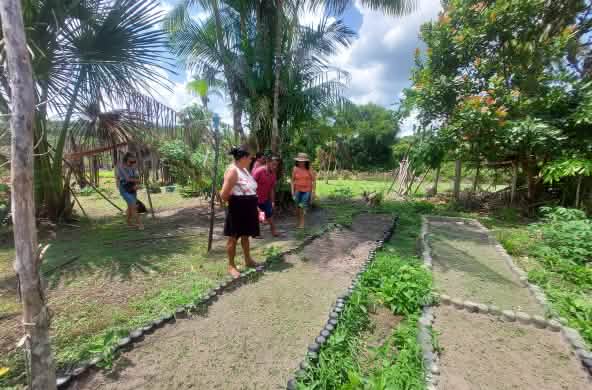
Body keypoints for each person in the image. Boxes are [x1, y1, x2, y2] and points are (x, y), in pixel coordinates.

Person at [220, 146, 260, 277]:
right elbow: (224, 195)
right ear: (243, 158)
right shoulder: (233, 171)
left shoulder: (244, 170)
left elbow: (251, 189)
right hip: (237, 208)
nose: (251, 160)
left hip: (249, 207)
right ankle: (231, 265)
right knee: (233, 237)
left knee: (245, 235)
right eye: (249, 158)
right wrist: (237, 203)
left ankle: (248, 259)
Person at [253, 156, 280, 237]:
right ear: (268, 163)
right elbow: (251, 185)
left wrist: (272, 201)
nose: (275, 167)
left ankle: (273, 231)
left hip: (265, 199)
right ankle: (255, 233)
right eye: (273, 164)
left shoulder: (273, 175)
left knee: (269, 214)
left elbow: (271, 189)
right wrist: (252, 199)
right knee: (257, 215)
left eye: (276, 165)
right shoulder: (259, 171)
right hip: (255, 198)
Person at [116, 152, 143, 230]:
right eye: (131, 162)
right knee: (134, 206)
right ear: (126, 160)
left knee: (130, 207)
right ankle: (140, 224)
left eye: (134, 162)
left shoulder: (133, 167)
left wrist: (136, 181)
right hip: (124, 189)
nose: (133, 164)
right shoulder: (120, 167)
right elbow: (127, 179)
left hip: (133, 188)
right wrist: (136, 180)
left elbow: (138, 178)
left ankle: (128, 223)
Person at [291, 153, 316, 229]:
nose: (301, 162)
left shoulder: (309, 169)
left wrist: (313, 193)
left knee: (302, 206)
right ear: (297, 161)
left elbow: (314, 181)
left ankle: (302, 223)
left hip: (306, 191)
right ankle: (297, 222)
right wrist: (292, 191)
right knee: (296, 207)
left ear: (306, 161)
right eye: (300, 161)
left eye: (303, 161)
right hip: (297, 191)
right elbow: (292, 180)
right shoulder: (295, 168)